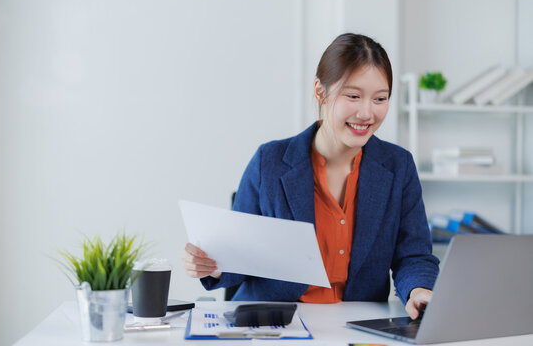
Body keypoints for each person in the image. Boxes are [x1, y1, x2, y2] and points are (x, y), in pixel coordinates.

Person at [182, 33, 439, 320]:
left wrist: (419, 290)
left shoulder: (398, 166)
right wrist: (211, 264)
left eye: (380, 98)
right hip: (274, 321)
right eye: (353, 96)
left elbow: (414, 255)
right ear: (320, 92)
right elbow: (239, 254)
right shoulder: (270, 162)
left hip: (358, 323)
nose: (367, 113)